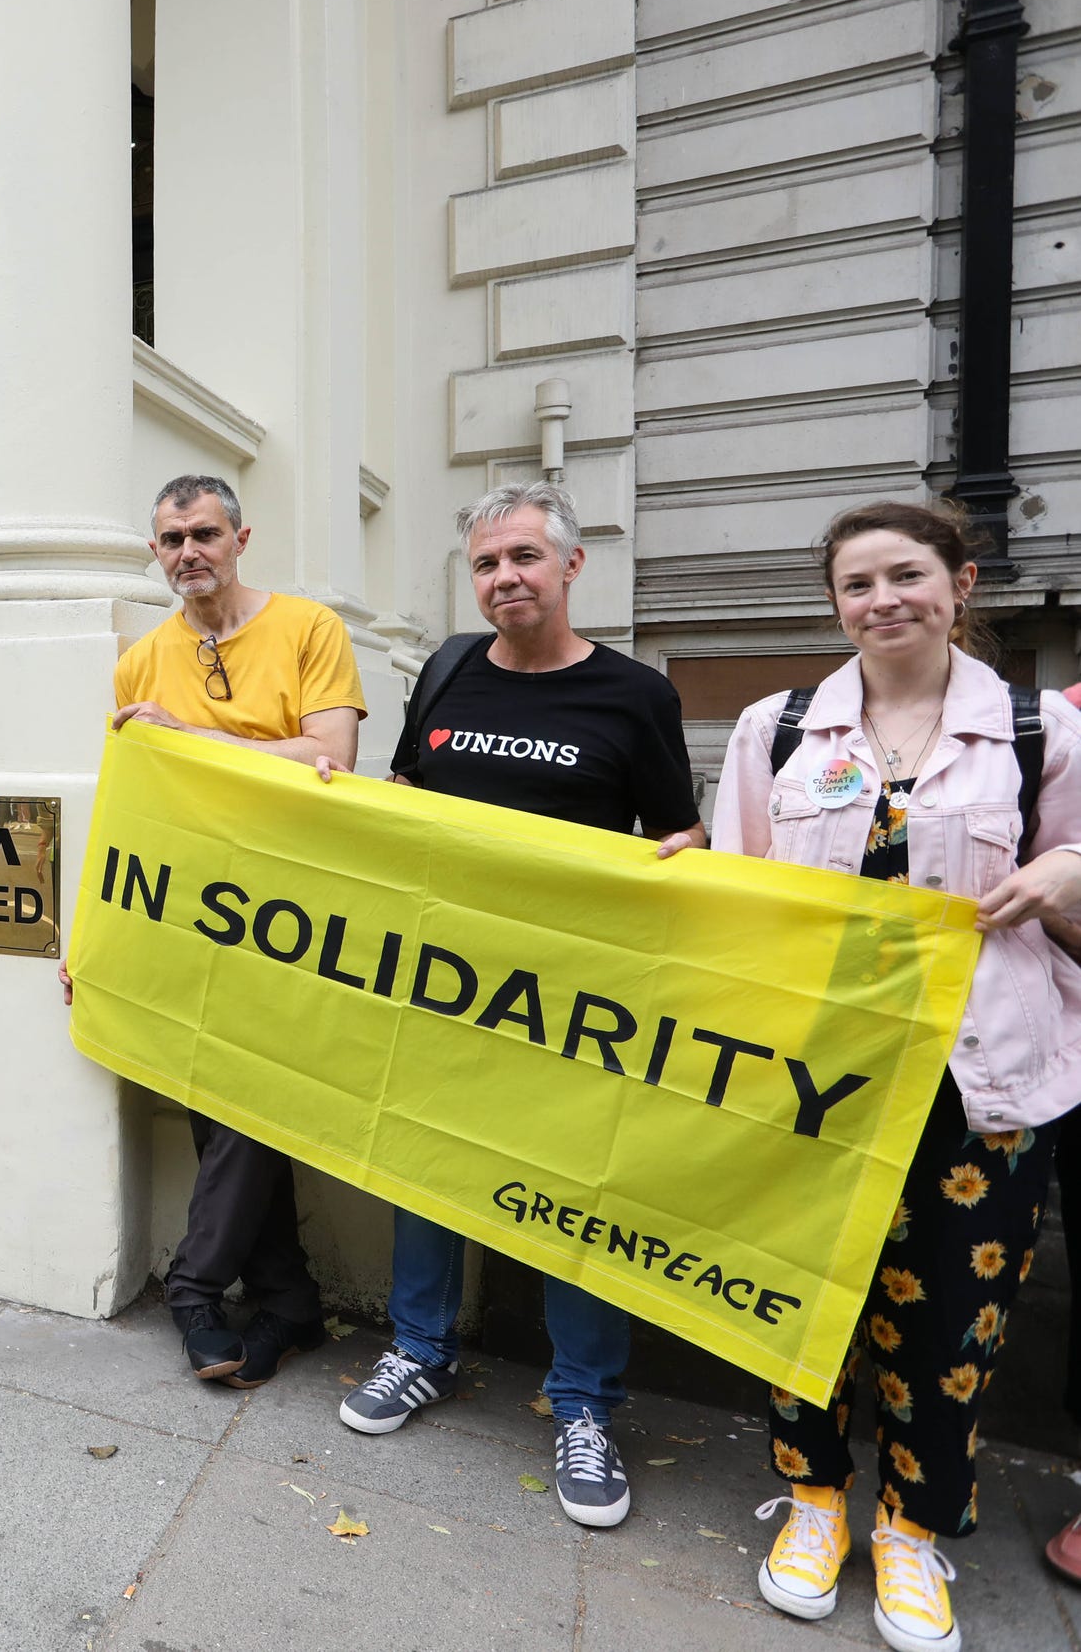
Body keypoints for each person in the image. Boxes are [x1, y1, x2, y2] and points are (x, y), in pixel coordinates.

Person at [718, 500, 1081, 1652]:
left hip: (978, 1082)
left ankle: (914, 1529)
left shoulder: (1037, 731)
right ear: (834, 603)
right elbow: (735, 892)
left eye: (906, 575)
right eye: (857, 584)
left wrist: (1065, 870)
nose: (883, 600)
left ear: (958, 582)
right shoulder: (776, 728)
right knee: (798, 1296)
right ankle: (815, 1499)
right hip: (814, 1074)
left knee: (952, 1319)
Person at [337, 482, 706, 1530]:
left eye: (523, 559)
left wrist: (689, 864)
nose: (504, 579)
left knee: (571, 1193)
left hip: (571, 996)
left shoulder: (635, 696)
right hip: (441, 978)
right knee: (425, 1164)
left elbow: (673, 842)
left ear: (569, 567)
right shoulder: (447, 668)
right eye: (487, 563)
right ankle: (420, 1350)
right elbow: (407, 796)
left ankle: (583, 1401)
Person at [65, 472, 365, 1391]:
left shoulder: (310, 629)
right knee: (212, 1094)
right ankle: (288, 1297)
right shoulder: (140, 661)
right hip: (185, 914)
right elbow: (131, 811)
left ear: (241, 538)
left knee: (245, 1095)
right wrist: (90, 938)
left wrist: (195, 743)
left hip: (292, 910)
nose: (187, 551)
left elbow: (331, 757)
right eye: (170, 539)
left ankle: (195, 1288)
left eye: (203, 533)